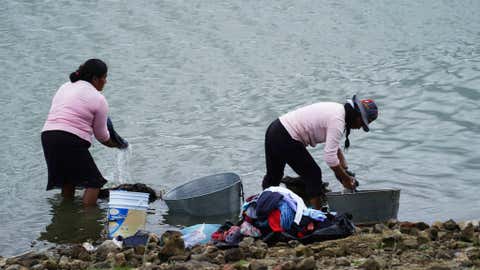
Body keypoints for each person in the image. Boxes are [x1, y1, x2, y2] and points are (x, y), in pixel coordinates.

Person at [262, 95, 378, 209]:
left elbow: (334, 148)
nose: (359, 127)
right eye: (362, 123)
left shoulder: (338, 111)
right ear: (357, 115)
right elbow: (330, 158)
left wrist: (345, 170)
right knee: (314, 175)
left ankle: (263, 210)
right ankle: (317, 219)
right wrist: (346, 179)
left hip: (275, 129)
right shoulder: (338, 120)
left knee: (273, 177)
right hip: (286, 136)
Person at [41, 59, 127, 206]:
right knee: (94, 182)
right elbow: (102, 136)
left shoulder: (65, 86)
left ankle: (66, 214)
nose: (105, 81)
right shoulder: (99, 99)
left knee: (67, 180)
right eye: (104, 77)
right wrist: (117, 144)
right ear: (95, 78)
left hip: (48, 135)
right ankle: (89, 222)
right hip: (69, 138)